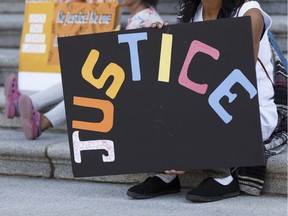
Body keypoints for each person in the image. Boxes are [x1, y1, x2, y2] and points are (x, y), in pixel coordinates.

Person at [126, 0, 278, 202]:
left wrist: (185, 138)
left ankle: (223, 178)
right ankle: (167, 175)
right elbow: (180, 73)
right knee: (152, 92)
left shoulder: (249, 13)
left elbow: (237, 79)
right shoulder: (192, 13)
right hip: (206, 102)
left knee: (197, 108)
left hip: (246, 109)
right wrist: (161, 41)